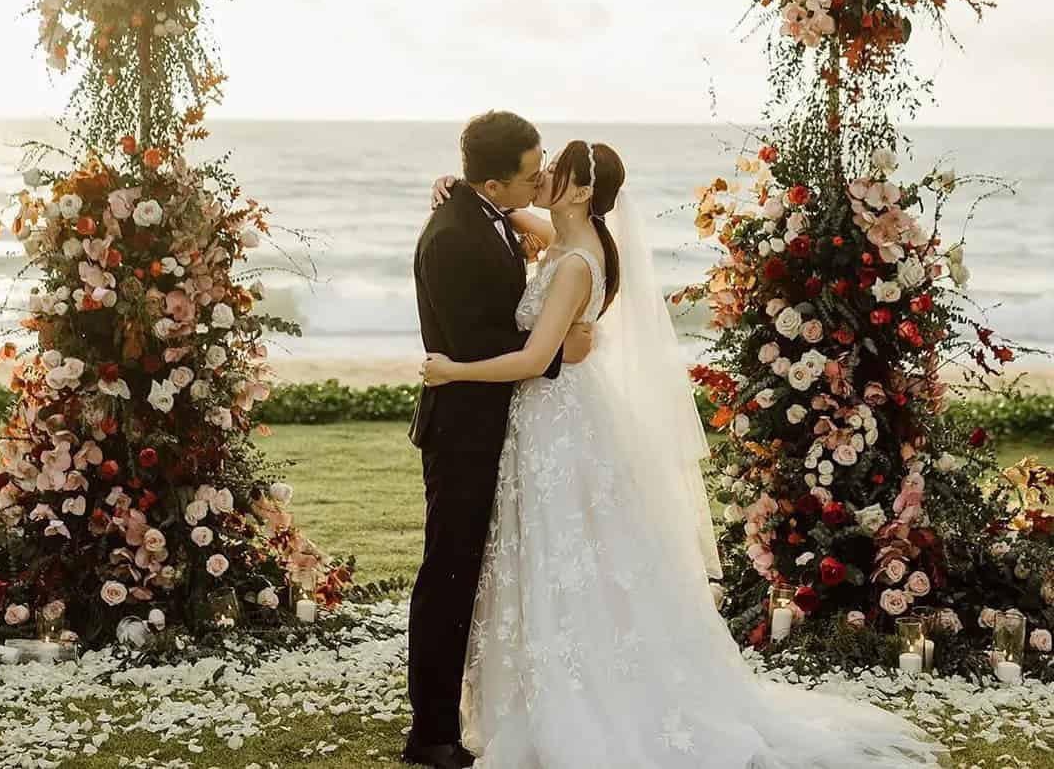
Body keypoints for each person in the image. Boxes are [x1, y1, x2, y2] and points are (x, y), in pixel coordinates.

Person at [420, 139, 948, 769]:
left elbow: (536, 359)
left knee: (567, 551)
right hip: (553, 422)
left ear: (583, 190)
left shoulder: (573, 264)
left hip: (556, 420)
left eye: (553, 173)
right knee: (561, 551)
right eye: (536, 171)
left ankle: (586, 694)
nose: (541, 180)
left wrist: (452, 370)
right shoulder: (570, 238)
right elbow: (512, 219)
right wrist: (462, 186)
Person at [403, 112, 595, 769]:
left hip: (496, 427)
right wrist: (558, 348)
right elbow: (476, 345)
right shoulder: (456, 237)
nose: (542, 172)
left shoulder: (485, 215)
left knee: (469, 576)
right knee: (447, 578)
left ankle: (460, 714)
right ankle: (430, 734)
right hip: (462, 433)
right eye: (532, 166)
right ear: (493, 178)